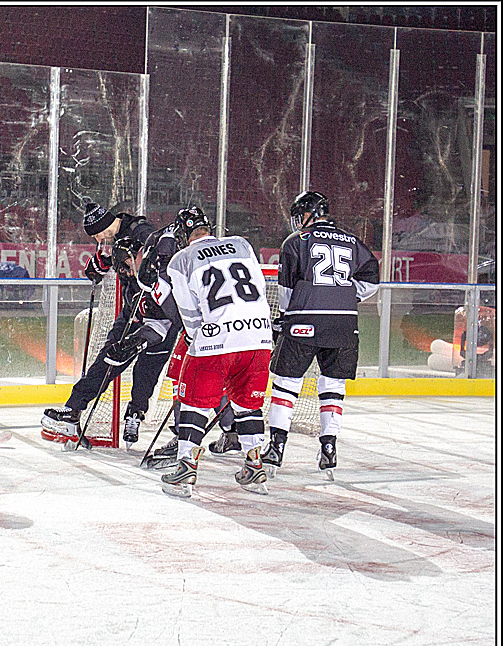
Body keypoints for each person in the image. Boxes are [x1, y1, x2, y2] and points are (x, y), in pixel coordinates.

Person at [41, 201, 180, 448]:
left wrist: (145, 262)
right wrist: (102, 266)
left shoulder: (139, 230)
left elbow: (160, 249)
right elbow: (120, 266)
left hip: (161, 313)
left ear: (103, 225)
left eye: (95, 232)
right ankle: (73, 409)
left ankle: (135, 415)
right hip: (132, 311)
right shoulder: (113, 239)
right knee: (108, 359)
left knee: (147, 370)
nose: (95, 238)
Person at [261, 191, 379, 480]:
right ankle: (329, 448)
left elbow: (287, 292)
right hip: (344, 323)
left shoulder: (295, 242)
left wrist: (287, 317)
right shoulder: (353, 242)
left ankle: (276, 447)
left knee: (287, 383)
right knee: (333, 384)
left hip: (305, 319)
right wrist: (343, 297)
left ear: (308, 214)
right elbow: (371, 281)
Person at [159, 208, 273, 497]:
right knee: (247, 403)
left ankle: (186, 467)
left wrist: (203, 339)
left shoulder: (180, 260)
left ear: (183, 235)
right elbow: (259, 287)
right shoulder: (242, 244)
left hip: (217, 337)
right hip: (259, 336)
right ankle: (254, 465)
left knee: (194, 402)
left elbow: (190, 315)